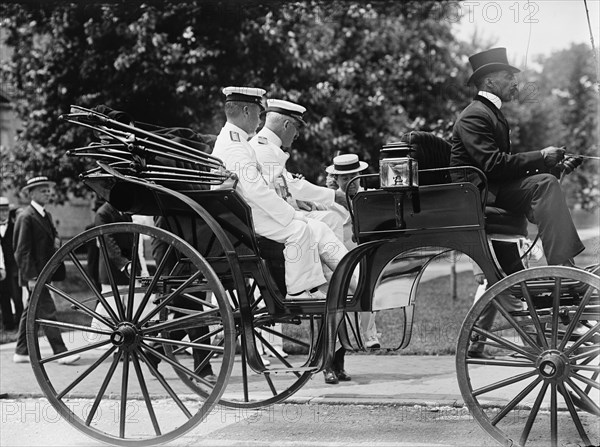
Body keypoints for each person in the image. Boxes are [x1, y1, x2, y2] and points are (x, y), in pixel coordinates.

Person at [450, 47, 585, 358]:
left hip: (491, 189)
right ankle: (562, 269)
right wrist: (542, 157)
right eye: (509, 77)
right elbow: (495, 165)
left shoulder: (491, 113)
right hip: (477, 196)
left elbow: (503, 168)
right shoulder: (474, 116)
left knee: (547, 181)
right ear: (490, 80)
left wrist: (553, 164)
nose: (514, 82)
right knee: (545, 185)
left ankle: (562, 271)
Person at [211, 87, 350, 300]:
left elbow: (265, 185)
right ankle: (299, 291)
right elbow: (256, 190)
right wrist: (290, 213)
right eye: (258, 113)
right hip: (240, 216)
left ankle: (330, 282)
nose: (260, 120)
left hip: (243, 210)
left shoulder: (235, 140)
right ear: (246, 111)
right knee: (300, 229)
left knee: (309, 227)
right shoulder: (235, 145)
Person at [13, 177, 80, 365]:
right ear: (31, 193)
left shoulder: (45, 215)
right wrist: (32, 277)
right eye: (43, 190)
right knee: (48, 311)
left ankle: (21, 351)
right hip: (35, 275)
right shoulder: (25, 216)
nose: (48, 193)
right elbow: (21, 251)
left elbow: (51, 237)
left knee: (31, 312)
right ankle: (61, 352)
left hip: (44, 273)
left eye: (48, 190)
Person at [0, 196, 23, 331]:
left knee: (16, 295)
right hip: (1, 268)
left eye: (5, 210)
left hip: (13, 267)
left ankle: (20, 323)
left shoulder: (15, 228)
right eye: (0, 211)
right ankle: (8, 324)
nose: (3, 213)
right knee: (3, 296)